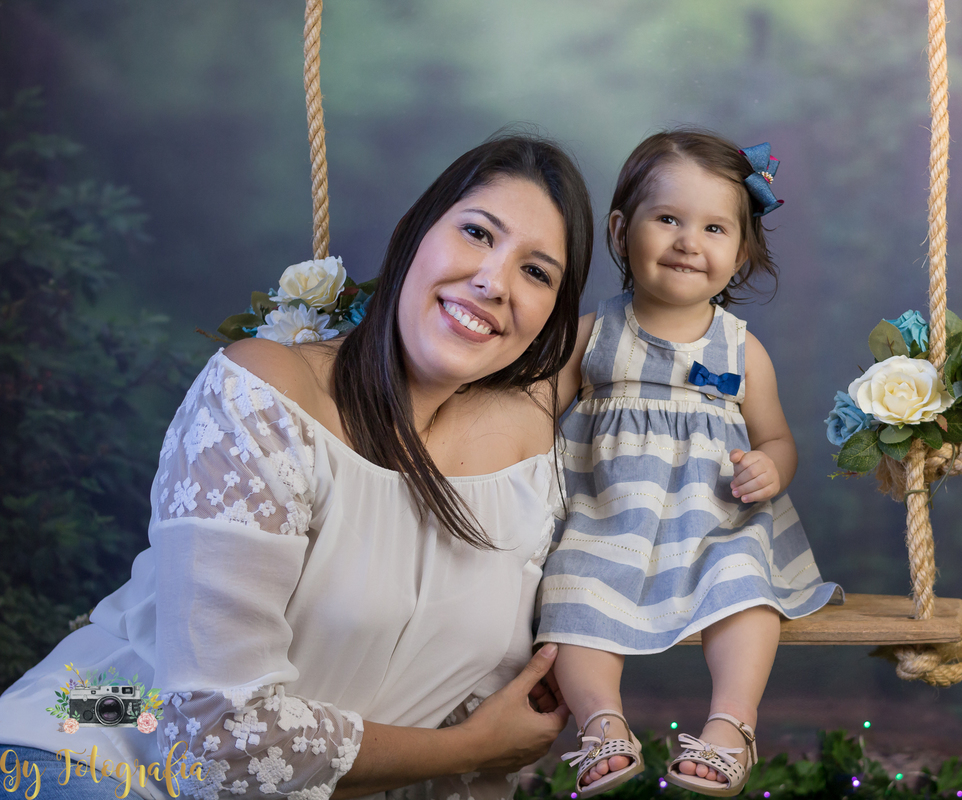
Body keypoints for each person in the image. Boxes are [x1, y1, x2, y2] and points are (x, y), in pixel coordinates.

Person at [0, 134, 594, 800]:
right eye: (477, 233)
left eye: (537, 272)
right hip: (92, 747)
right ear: (414, 233)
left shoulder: (528, 437)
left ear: (555, 315)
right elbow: (213, 744)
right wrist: (471, 748)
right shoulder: (268, 394)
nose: (494, 281)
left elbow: (666, 306)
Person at [534, 130, 842, 798]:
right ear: (621, 232)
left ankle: (732, 723)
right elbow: (529, 423)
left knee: (746, 587)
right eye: (668, 219)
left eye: (714, 228)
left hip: (714, 525)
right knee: (570, 588)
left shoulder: (742, 350)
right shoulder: (592, 335)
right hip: (605, 519)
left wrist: (770, 468)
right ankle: (601, 723)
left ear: (740, 252)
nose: (688, 242)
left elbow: (778, 439)